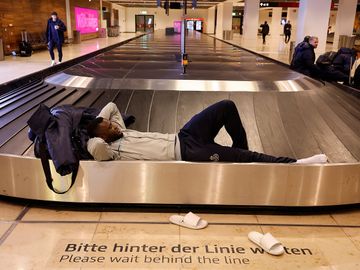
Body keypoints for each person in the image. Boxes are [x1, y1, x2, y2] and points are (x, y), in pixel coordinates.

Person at [86, 100, 327, 164]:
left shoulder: (122, 132)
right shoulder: (111, 152)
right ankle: (297, 163)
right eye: (110, 127)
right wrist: (91, 134)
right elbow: (95, 148)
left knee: (226, 107)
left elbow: (111, 107)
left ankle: (239, 153)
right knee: (248, 158)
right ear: (102, 136)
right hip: (189, 152)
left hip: (184, 135)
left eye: (112, 123)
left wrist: (99, 121)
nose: (115, 125)